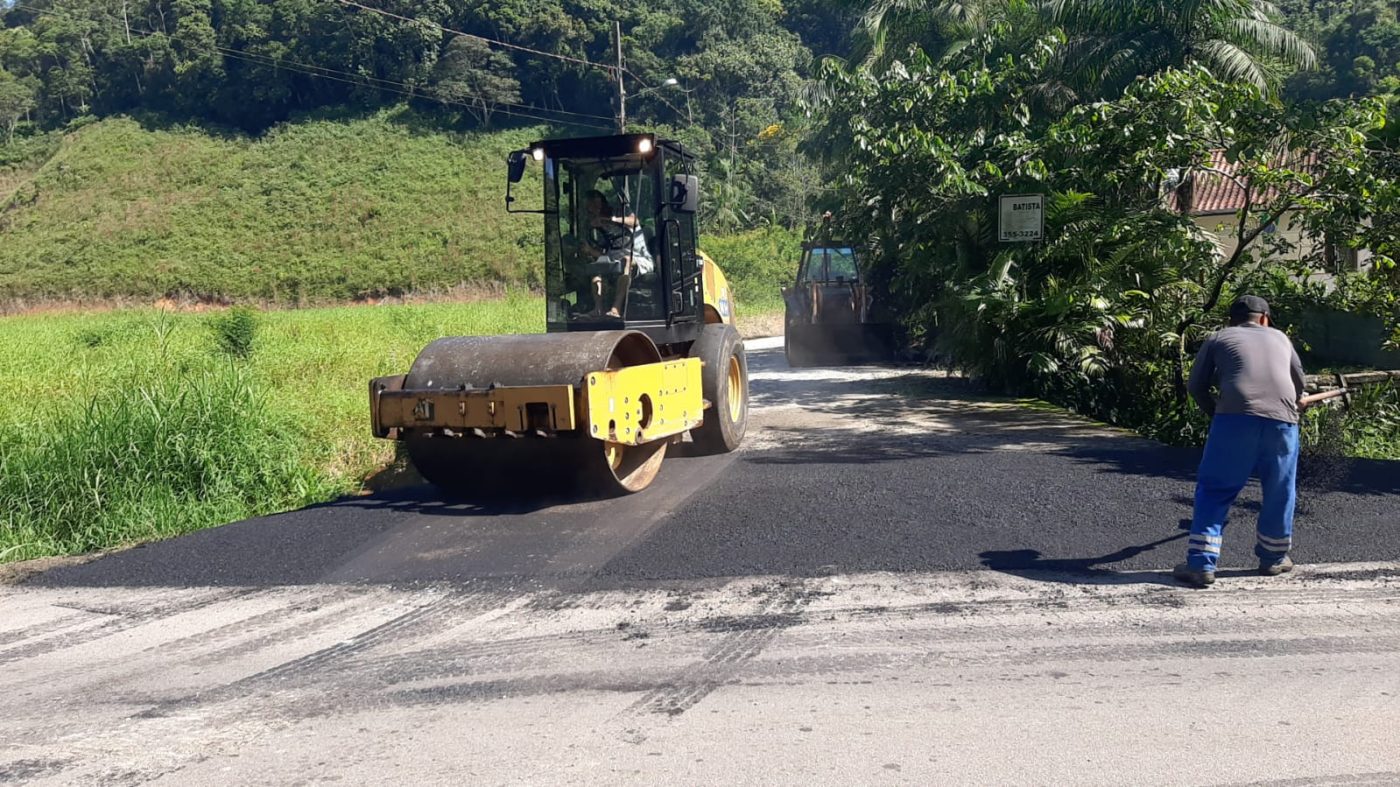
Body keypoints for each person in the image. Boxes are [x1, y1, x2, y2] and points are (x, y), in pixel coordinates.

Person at [1174, 295, 1308, 588]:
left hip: (1234, 421)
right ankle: (1273, 558)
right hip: (1282, 422)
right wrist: (1298, 401)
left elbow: (1196, 386)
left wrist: (1217, 415)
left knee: (1216, 489)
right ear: (1264, 318)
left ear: (1232, 320)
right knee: (1279, 488)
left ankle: (1200, 564)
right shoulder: (1281, 338)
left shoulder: (1219, 337)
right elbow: (1300, 384)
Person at [580, 189, 653, 318]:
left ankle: (616, 308)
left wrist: (609, 220)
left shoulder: (620, 213)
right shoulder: (599, 231)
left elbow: (634, 221)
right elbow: (604, 255)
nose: (595, 211)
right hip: (614, 262)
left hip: (639, 258)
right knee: (596, 269)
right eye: (590, 209)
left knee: (626, 260)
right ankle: (598, 309)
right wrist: (589, 250)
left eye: (597, 206)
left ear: (603, 203)